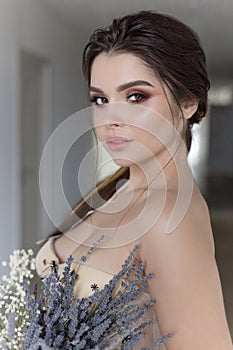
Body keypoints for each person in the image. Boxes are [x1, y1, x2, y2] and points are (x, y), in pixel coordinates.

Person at [36, 10, 233, 349]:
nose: (111, 118)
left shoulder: (168, 216)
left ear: (187, 102)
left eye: (136, 96)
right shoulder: (118, 189)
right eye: (100, 99)